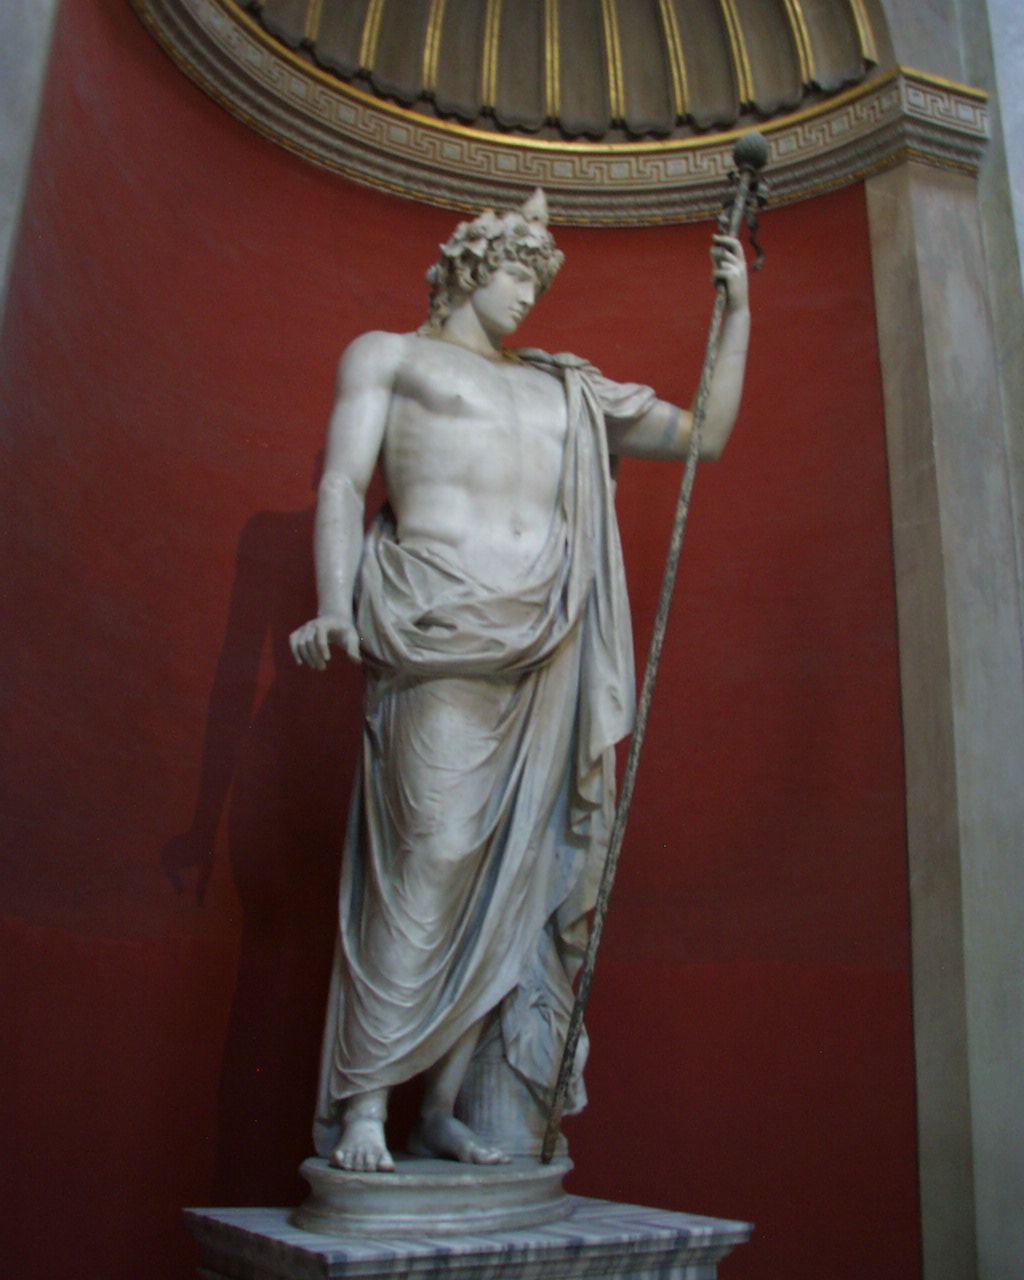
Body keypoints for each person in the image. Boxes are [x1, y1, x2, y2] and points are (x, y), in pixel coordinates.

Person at [290, 190, 750, 1173]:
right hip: (436, 631)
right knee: (429, 858)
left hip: (544, 648)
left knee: (513, 883)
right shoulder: (390, 356)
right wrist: (334, 603)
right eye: (514, 272)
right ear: (468, 268)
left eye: (538, 282)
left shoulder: (566, 389)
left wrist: (737, 311)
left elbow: (703, 436)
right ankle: (365, 1103)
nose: (526, 295)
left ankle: (436, 1110)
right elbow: (341, 483)